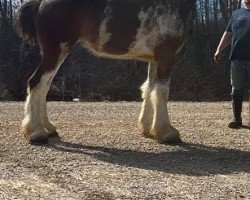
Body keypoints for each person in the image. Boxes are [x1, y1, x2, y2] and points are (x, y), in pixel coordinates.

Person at [214, 0, 250, 128]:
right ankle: (236, 119)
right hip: (237, 58)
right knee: (236, 89)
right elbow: (228, 34)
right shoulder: (236, 14)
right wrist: (219, 49)